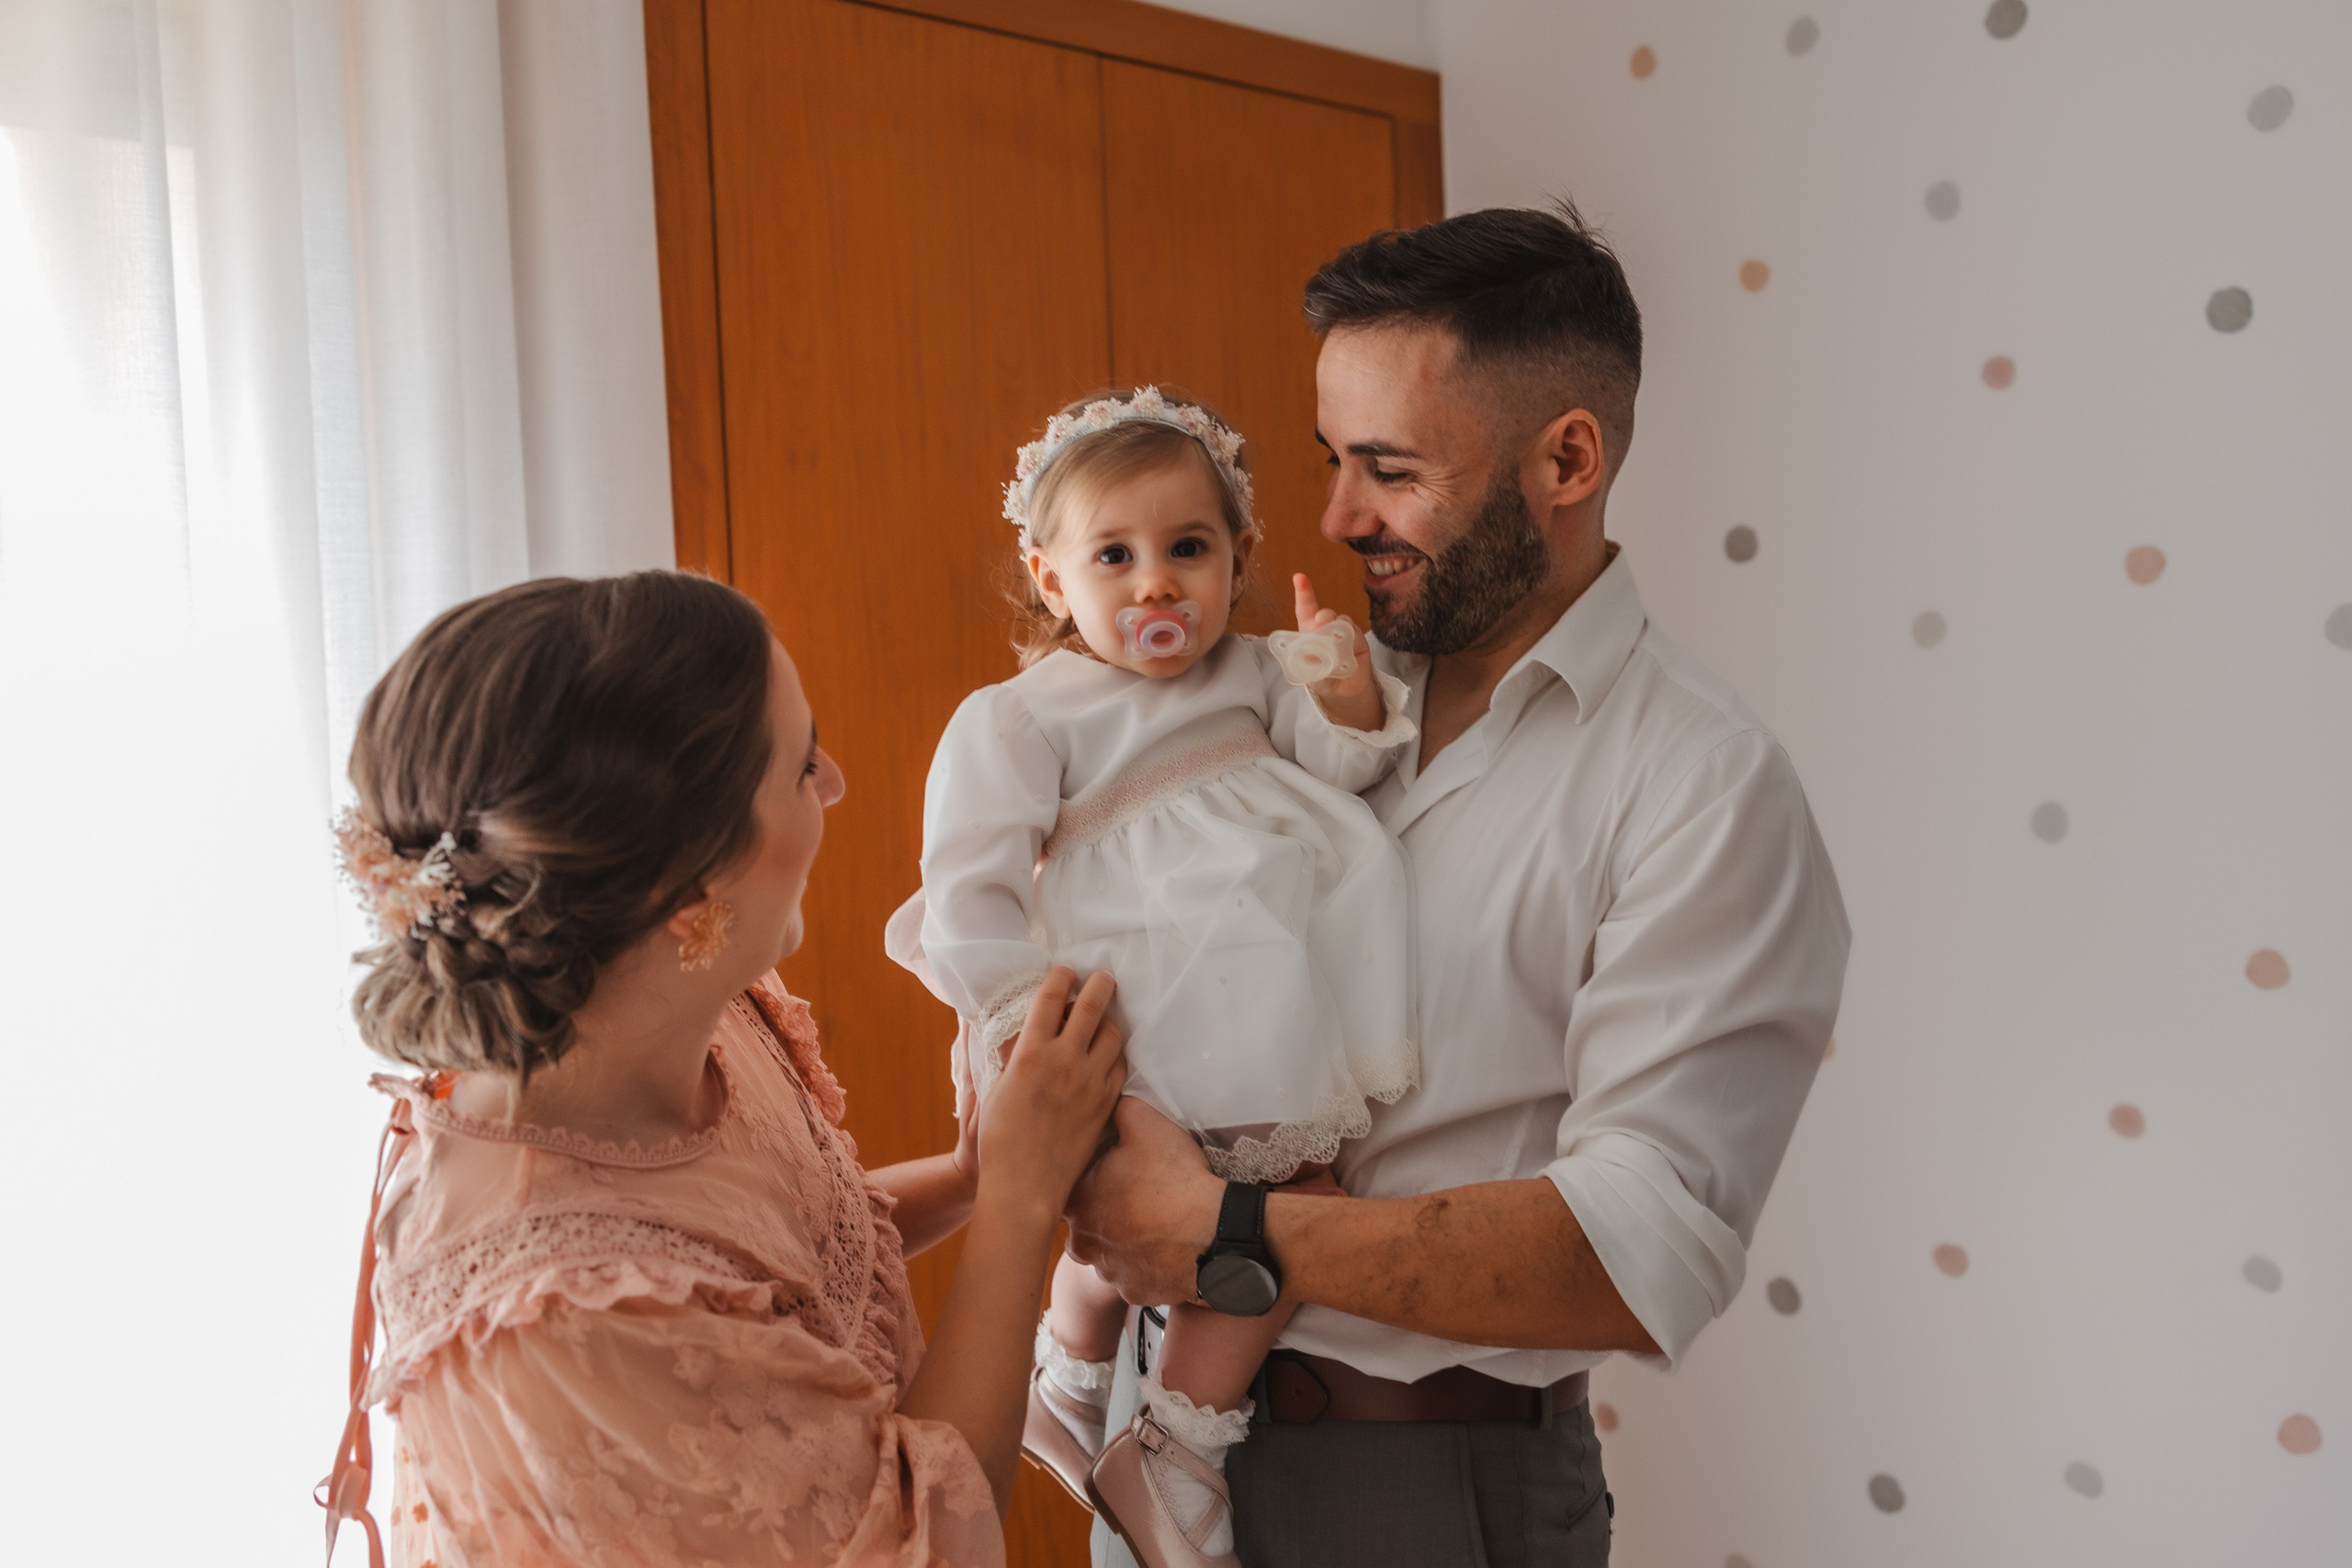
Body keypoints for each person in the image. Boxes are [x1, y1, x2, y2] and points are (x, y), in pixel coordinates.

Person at [1066, 205, 1853, 1567]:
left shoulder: (1703, 784)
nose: (1337, 515)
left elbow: (1635, 1249)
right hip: (1157, 1446)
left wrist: (1225, 1231)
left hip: (1426, 1489)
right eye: (1333, 460)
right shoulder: (1275, 700)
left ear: (1567, 458)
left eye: (1389, 469)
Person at [315, 572, 1126, 1568]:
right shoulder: (566, 1317)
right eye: (800, 766)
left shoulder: (663, 999)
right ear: (689, 892)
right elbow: (909, 1538)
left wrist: (971, 1178)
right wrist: (1018, 1203)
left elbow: (765, 1277)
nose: (836, 781)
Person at [891, 388, 1416, 1567]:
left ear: (1239, 558)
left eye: (1188, 549)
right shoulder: (1021, 716)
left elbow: (1344, 769)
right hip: (1123, 1019)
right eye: (1113, 557)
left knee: (1275, 1206)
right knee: (1176, 1210)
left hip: (1255, 1005)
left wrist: (1339, 689)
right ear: (1049, 578)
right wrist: (1021, 1030)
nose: (1156, 586)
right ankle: (1156, 1434)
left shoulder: (1257, 672)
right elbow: (969, 888)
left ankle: (1103, 1403)